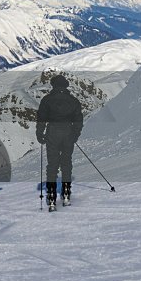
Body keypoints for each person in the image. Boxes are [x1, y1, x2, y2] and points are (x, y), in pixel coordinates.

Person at [36, 75, 84, 210]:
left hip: (52, 133)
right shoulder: (73, 101)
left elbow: (41, 118)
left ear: (53, 85)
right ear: (66, 85)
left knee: (52, 165)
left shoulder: (47, 100)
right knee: (66, 163)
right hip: (68, 133)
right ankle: (66, 194)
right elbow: (78, 120)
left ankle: (51, 197)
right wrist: (75, 134)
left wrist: (40, 133)